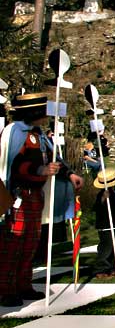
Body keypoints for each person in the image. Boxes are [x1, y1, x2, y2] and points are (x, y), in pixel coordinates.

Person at [0, 94, 70, 306]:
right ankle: (6, 288)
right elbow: (15, 165)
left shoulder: (39, 135)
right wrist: (40, 169)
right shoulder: (15, 132)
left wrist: (69, 174)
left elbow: (54, 157)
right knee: (13, 243)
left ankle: (24, 284)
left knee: (31, 242)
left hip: (36, 196)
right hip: (18, 195)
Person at [92, 167, 115, 279]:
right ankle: (100, 268)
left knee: (113, 247)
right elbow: (97, 208)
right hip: (105, 225)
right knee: (106, 248)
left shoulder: (114, 195)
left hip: (114, 224)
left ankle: (110, 267)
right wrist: (103, 200)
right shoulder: (102, 195)